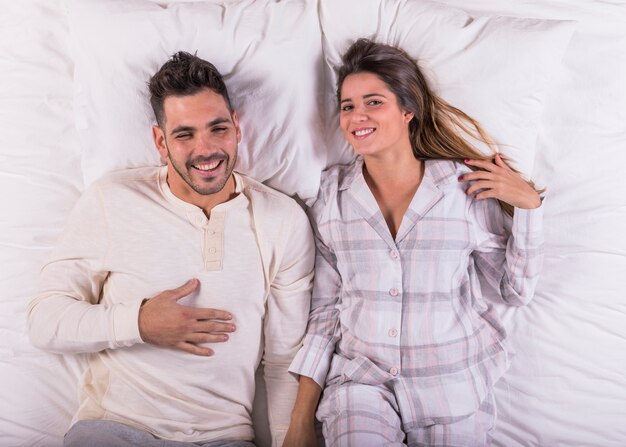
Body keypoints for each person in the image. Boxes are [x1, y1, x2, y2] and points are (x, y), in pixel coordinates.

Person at [27, 51, 314, 447]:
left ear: (237, 128)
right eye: (185, 135)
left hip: (223, 436)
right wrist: (140, 323)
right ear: (160, 142)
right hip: (116, 428)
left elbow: (284, 363)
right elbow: (45, 321)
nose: (207, 149)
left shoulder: (282, 220)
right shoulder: (112, 201)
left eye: (218, 129)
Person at [284, 39, 544, 447]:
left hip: (450, 386)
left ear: (408, 110)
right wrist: (299, 420)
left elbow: (513, 292)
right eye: (348, 106)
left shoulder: (463, 187)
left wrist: (528, 207)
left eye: (373, 102)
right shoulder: (331, 196)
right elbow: (326, 313)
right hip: (360, 387)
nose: (357, 116)